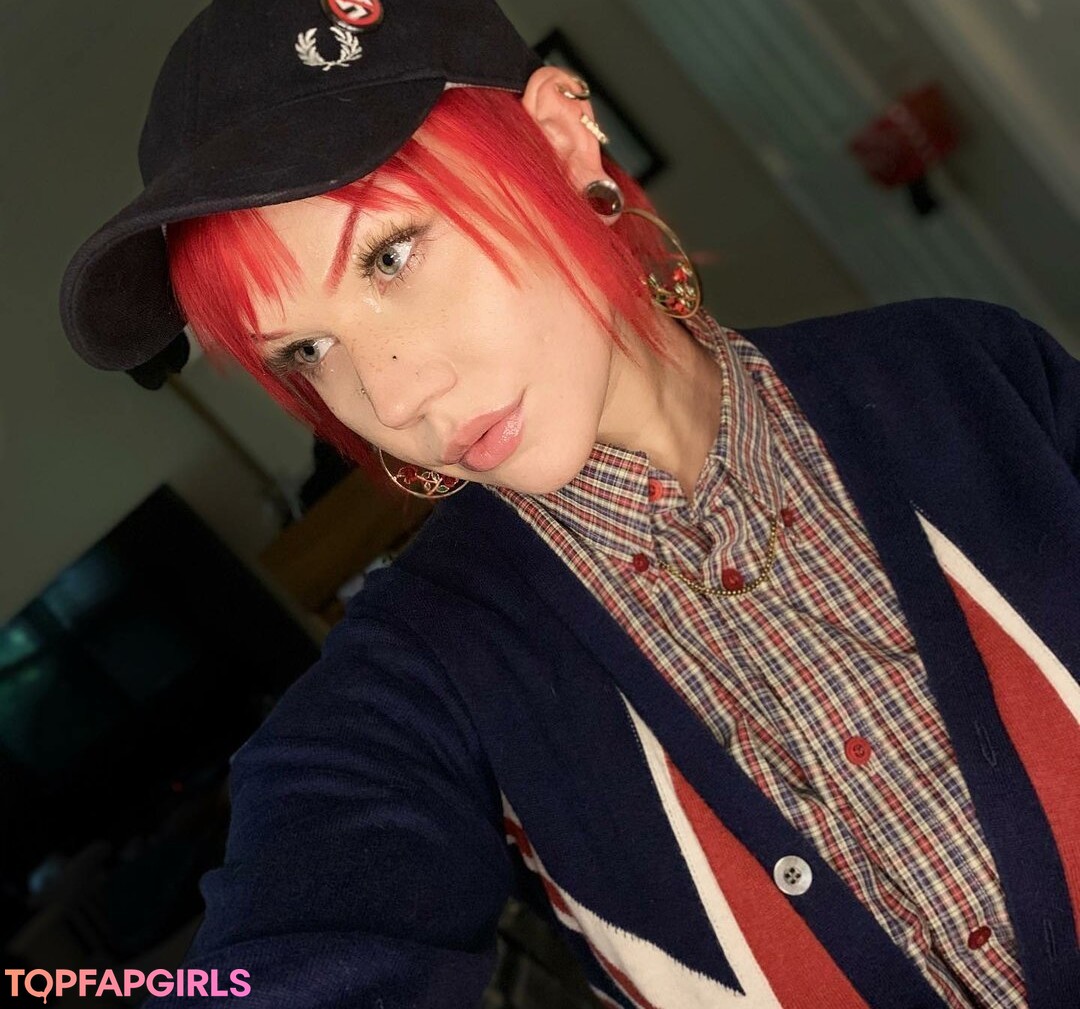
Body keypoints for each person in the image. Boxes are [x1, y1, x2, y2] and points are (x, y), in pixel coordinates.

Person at [59, 1, 1080, 1006]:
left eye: (391, 255)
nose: (392, 399)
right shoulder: (417, 683)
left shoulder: (969, 374)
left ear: (558, 140)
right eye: (308, 350)